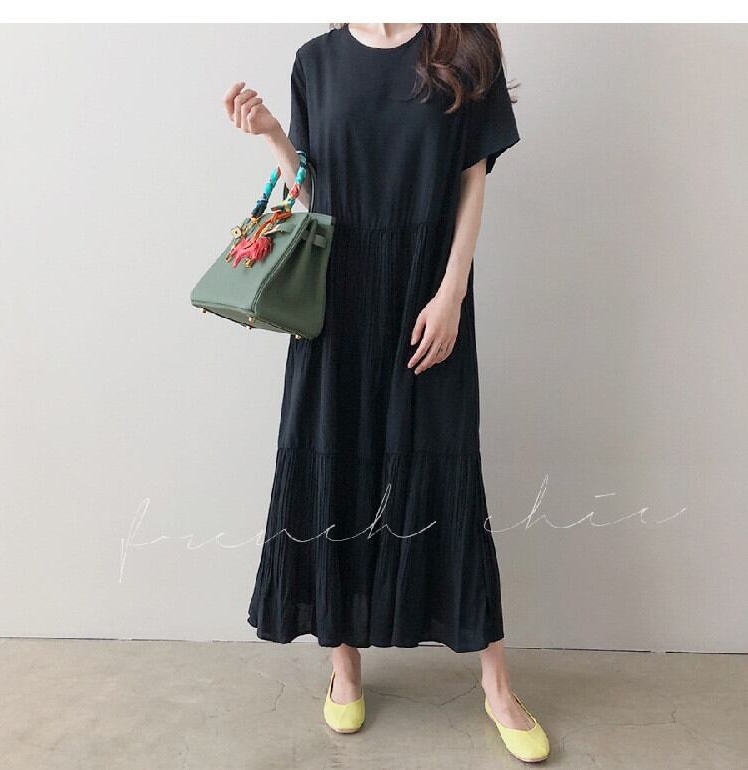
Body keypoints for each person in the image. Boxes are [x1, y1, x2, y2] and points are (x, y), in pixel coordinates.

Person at [224, 23, 549, 763]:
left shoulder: (462, 44)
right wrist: (272, 134)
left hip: (425, 291)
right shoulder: (315, 61)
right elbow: (313, 189)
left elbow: (472, 177)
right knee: (334, 464)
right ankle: (344, 668)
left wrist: (453, 291)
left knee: (447, 472)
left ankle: (497, 686)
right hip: (336, 299)